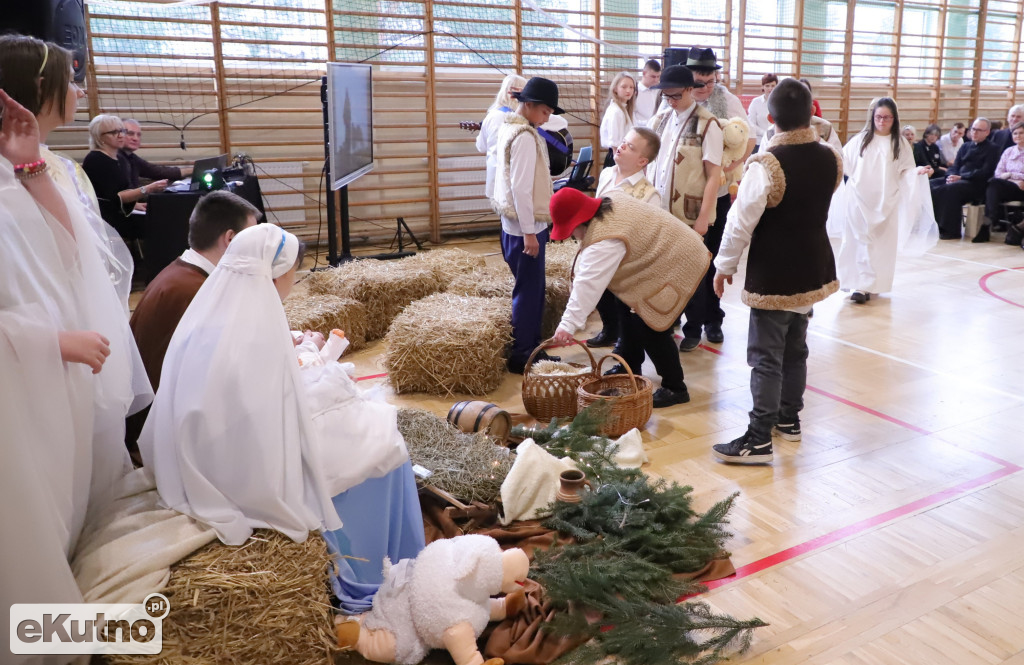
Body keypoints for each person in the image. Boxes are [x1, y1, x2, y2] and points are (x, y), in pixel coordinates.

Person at [138, 223, 424, 611]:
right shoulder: (252, 327)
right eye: (293, 270)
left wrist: (304, 354)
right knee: (384, 439)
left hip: (209, 448)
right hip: (248, 460)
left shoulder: (213, 308)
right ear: (277, 274)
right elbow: (286, 402)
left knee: (365, 420)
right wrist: (319, 362)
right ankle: (381, 566)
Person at [1, 43, 149, 615]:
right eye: (73, 79)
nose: (82, 91)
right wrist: (53, 341)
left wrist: (31, 166)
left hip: (52, 370)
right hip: (25, 376)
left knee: (70, 497)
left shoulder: (37, 164)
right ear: (35, 90)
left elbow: (70, 256)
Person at [710, 78, 842, 463]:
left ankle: (758, 438)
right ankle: (788, 420)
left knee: (766, 355)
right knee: (796, 349)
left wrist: (723, 265)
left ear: (769, 118)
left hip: (776, 271)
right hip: (812, 265)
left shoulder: (767, 164)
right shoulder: (832, 157)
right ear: (811, 113)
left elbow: (739, 222)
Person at [124, 190, 260, 463]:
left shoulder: (180, 272)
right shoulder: (197, 291)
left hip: (144, 422)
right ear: (231, 239)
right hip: (158, 437)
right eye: (253, 241)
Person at [549, 188, 710, 408]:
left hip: (680, 260)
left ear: (580, 221)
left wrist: (567, 325)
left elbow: (587, 286)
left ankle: (675, 387)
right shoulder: (608, 200)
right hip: (663, 255)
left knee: (650, 324)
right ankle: (629, 366)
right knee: (625, 303)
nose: (574, 236)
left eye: (571, 231)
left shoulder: (606, 240)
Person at [680, 47, 752, 350]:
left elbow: (749, 138)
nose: (705, 88)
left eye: (710, 82)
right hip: (682, 196)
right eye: (699, 82)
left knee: (711, 256)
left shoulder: (727, 100)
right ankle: (685, 321)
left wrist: (730, 167)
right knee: (685, 260)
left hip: (717, 193)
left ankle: (712, 319)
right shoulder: (677, 100)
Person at [491, 76, 564, 374]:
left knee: (532, 290)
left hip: (516, 226)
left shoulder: (512, 127)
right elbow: (520, 188)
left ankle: (532, 346)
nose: (547, 118)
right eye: (545, 112)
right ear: (530, 106)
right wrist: (530, 233)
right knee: (528, 291)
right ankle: (523, 355)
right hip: (525, 229)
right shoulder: (523, 137)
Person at [836, 98, 930, 303]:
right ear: (872, 117)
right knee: (859, 242)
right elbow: (844, 164)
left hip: (886, 202)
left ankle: (873, 284)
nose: (882, 121)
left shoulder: (900, 143)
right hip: (858, 200)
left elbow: (905, 171)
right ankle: (859, 286)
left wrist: (917, 172)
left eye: (887, 117)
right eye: (878, 117)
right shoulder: (860, 140)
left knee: (879, 246)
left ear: (894, 119)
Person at [585, 127, 662, 348]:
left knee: (624, 307)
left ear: (642, 161)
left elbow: (647, 235)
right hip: (601, 247)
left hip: (627, 260)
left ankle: (626, 347)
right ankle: (610, 330)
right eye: (623, 141)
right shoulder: (608, 174)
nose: (621, 146)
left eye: (630, 146)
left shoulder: (649, 194)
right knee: (602, 293)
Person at [82, 113, 167, 240]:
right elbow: (115, 197)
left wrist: (135, 205)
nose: (121, 135)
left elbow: (122, 192)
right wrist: (148, 189)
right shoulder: (96, 159)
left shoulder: (119, 159)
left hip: (119, 213)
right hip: (106, 219)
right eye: (114, 132)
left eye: (122, 131)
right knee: (160, 224)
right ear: (100, 137)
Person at [930, 118, 1002, 239]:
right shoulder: (965, 146)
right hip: (959, 180)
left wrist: (961, 177)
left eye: (979, 130)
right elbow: (955, 165)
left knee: (950, 189)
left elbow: (986, 171)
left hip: (976, 184)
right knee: (931, 184)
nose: (975, 132)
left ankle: (950, 230)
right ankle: (935, 225)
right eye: (973, 129)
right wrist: (950, 176)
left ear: (987, 132)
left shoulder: (993, 149)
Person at [475, 74, 526, 199]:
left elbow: (481, 147)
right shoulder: (525, 118)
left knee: (504, 215)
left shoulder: (492, 116)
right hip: (518, 176)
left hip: (496, 177)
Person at [120, 118, 192, 188]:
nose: (135, 138)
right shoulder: (116, 160)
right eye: (130, 134)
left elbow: (158, 171)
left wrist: (194, 170)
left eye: (138, 135)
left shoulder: (132, 158)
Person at [982, 121, 1024, 239]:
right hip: (1012, 185)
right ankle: (990, 221)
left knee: (994, 184)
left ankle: (990, 221)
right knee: (993, 182)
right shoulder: (1008, 151)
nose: (1018, 136)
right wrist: (1014, 177)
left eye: (1021, 133)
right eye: (1015, 133)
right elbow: (998, 173)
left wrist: (1009, 175)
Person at [599, 71, 637, 167]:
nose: (628, 90)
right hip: (616, 158)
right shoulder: (616, 111)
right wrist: (620, 167)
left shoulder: (625, 109)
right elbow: (615, 144)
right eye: (624, 87)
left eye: (631, 87)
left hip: (623, 157)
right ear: (615, 89)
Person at [746, 73, 778, 151]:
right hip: (759, 143)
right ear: (762, 87)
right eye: (767, 86)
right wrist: (765, 133)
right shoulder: (755, 102)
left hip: (776, 143)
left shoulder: (781, 102)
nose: (770, 88)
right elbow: (751, 124)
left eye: (773, 86)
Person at [634, 59, 661, 126]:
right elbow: (631, 119)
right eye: (653, 76)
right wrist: (650, 123)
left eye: (658, 76)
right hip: (640, 131)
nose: (656, 80)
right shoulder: (635, 92)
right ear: (644, 73)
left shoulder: (659, 90)